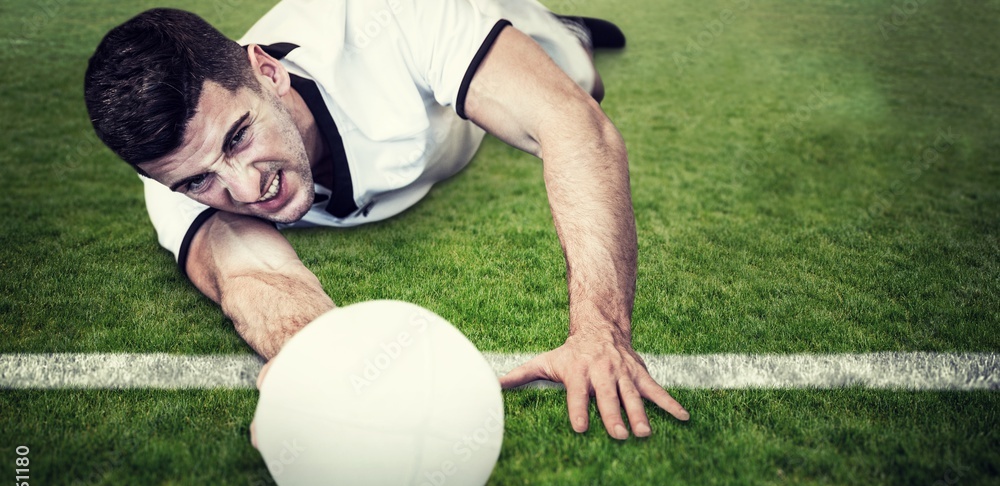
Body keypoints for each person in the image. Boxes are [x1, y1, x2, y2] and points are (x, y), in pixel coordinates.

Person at [84, 0, 689, 440]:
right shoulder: (172, 185)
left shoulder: (397, 18)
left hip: (462, 53)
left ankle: (565, 29)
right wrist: (315, 365)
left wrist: (599, 328)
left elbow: (573, 128)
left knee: (580, 81)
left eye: (239, 137)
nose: (244, 188)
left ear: (268, 73)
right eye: (199, 181)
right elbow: (252, 279)